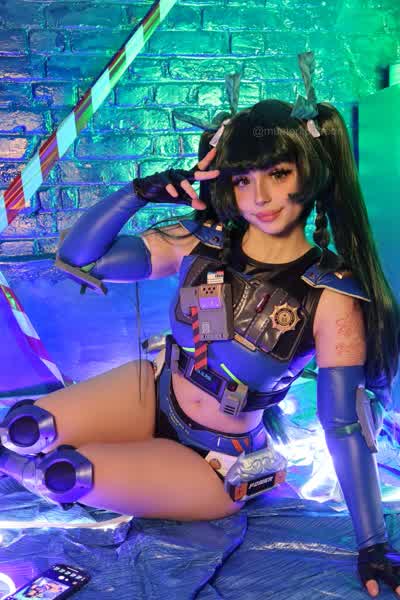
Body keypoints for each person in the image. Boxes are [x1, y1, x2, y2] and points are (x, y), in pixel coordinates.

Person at [1, 98, 400, 598]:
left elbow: (342, 426)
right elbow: (80, 256)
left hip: (217, 459)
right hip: (150, 393)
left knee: (62, 473)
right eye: (242, 179)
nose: (260, 196)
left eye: (278, 173)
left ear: (312, 173)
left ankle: (63, 469)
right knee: (23, 428)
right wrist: (138, 193)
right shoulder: (200, 241)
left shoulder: (332, 295)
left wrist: (373, 545)